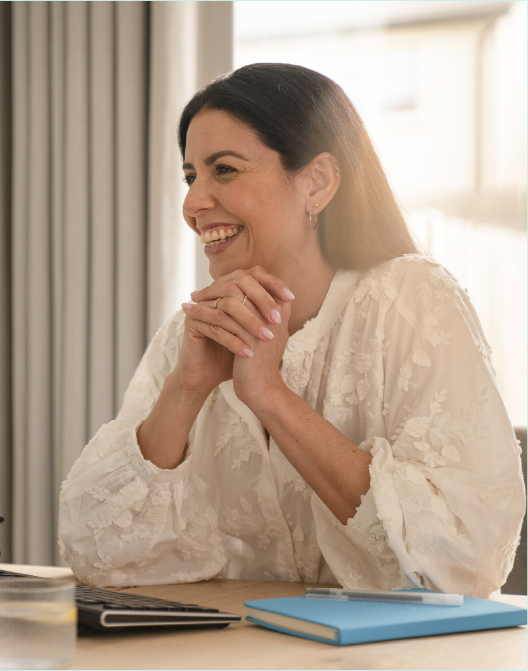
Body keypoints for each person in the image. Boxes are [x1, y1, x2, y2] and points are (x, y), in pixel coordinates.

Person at [57, 63, 525, 597]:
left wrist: (269, 395)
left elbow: (465, 562)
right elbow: (95, 554)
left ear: (317, 182)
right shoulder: (187, 337)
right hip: (233, 641)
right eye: (190, 177)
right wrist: (185, 389)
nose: (192, 204)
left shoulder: (411, 301)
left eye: (224, 170)